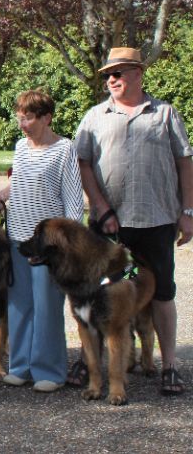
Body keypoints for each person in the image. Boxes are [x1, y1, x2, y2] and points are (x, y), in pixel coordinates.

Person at [74, 46, 193, 396]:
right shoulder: (95, 116)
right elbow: (82, 164)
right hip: (108, 226)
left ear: (138, 74)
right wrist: (100, 206)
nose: (111, 79)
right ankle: (90, 361)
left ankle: (168, 364)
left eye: (118, 73)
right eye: (108, 75)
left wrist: (188, 212)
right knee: (100, 291)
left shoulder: (165, 114)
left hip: (155, 221)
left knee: (162, 290)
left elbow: (186, 162)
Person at [0, 90, 83, 392]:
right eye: (19, 117)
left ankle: (49, 371)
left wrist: (68, 243)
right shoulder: (20, 148)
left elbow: (73, 199)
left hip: (48, 245)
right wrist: (2, 195)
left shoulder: (65, 149)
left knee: (47, 307)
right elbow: (19, 184)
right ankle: (20, 365)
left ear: (46, 118)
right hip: (17, 237)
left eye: (27, 118)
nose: (22, 124)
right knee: (20, 305)